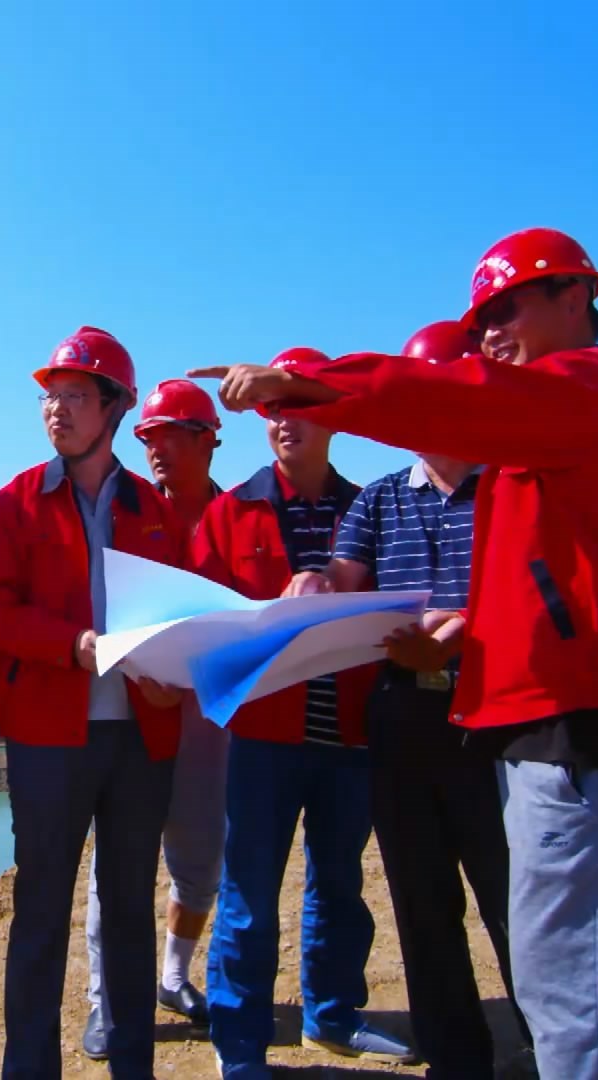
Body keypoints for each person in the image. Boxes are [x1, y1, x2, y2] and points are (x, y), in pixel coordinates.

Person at [190, 229, 598, 1080]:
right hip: (539, 726)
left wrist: (311, 385)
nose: (492, 333)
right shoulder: (546, 438)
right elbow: (548, 580)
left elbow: (456, 401)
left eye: (506, 309)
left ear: (576, 297)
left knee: (574, 992)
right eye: (479, 319)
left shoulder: (590, 386)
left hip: (585, 733)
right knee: (593, 985)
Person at [298, 320, 529, 1080]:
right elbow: (344, 581)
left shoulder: (510, 485)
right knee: (424, 903)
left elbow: (524, 594)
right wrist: (313, 587)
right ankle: (457, 1059)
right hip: (401, 717)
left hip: (491, 718)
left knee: (514, 896)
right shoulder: (380, 502)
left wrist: (456, 642)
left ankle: (551, 1045)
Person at [0, 326, 189, 1080]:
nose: (55, 409)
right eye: (48, 397)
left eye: (74, 395)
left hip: (140, 739)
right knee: (40, 913)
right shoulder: (17, 502)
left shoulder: (152, 509)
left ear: (116, 407)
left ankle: (133, 1065)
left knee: (129, 910)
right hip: (49, 737)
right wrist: (74, 645)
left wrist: (171, 674)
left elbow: (183, 614)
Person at [191, 348, 415, 1079]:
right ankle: (242, 1044)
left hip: (351, 732)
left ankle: (334, 1015)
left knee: (340, 884)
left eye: (299, 406)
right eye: (273, 411)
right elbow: (202, 619)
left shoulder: (372, 508)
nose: (285, 422)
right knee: (249, 892)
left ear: (331, 415)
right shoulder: (230, 512)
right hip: (263, 737)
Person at [81, 378, 229, 1057]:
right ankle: (103, 1002)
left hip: (210, 724)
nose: (156, 448)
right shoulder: (130, 515)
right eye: (147, 437)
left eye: (170, 434)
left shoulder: (239, 519)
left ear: (208, 441)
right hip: (139, 718)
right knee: (117, 867)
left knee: (200, 863)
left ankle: (173, 974)